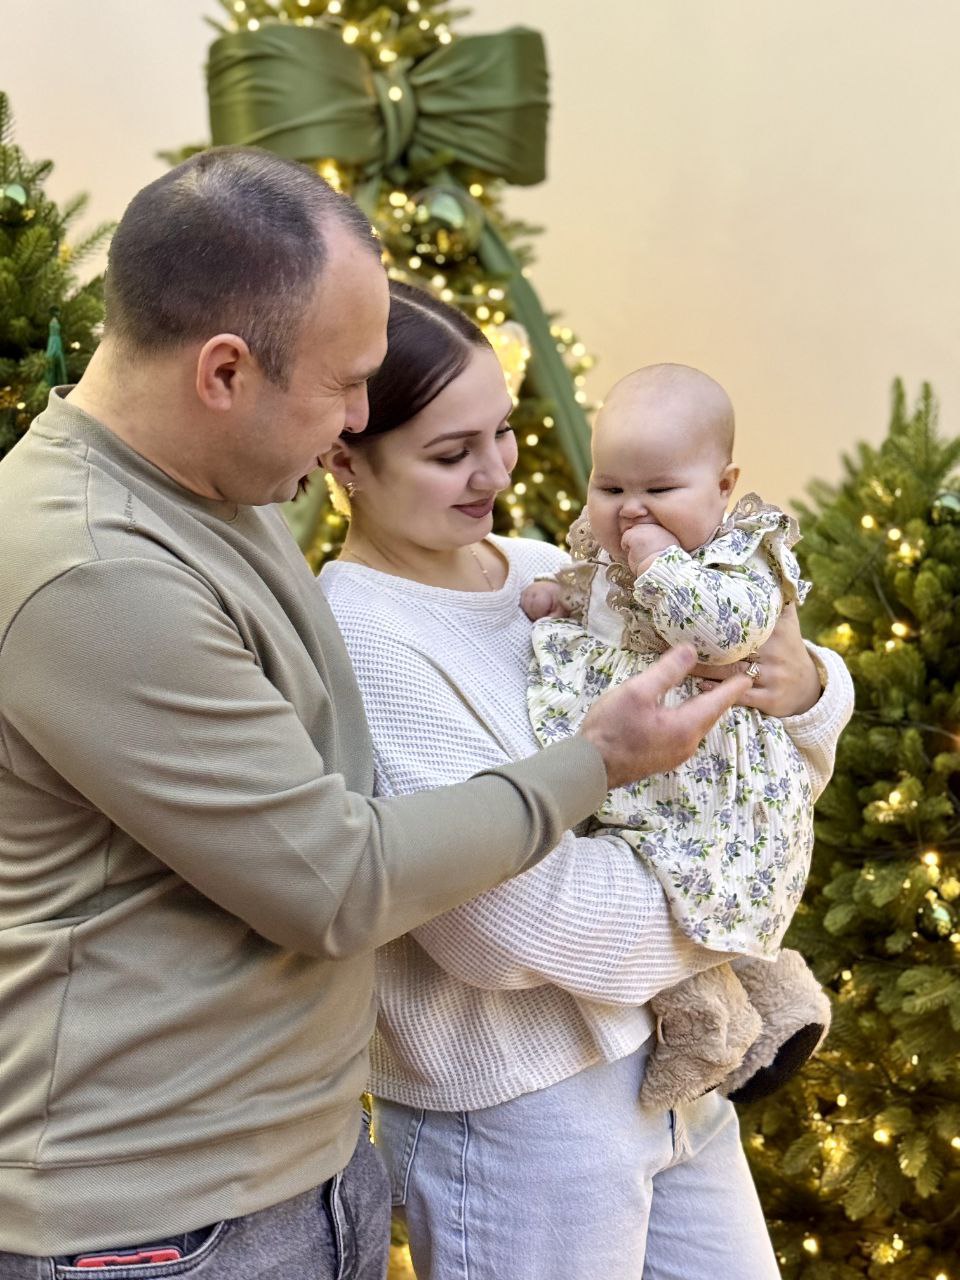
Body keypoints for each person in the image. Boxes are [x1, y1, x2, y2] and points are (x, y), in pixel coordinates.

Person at [0, 152, 748, 1278]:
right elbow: (338, 880)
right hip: (159, 1221)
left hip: (294, 1174)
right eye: (345, 384)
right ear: (223, 372)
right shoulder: (96, 568)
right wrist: (596, 763)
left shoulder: (214, 486)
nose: (357, 418)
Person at [319, 283, 854, 1279]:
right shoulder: (361, 639)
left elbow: (753, 773)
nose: (496, 471)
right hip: (520, 1114)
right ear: (344, 458)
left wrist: (812, 689)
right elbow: (498, 921)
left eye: (503, 430)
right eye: (450, 452)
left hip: (675, 1064)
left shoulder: (560, 572)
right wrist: (730, 901)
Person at [524, 364, 829, 1108]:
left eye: (659, 489)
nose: (632, 510)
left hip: (702, 776)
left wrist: (661, 566)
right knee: (675, 886)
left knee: (670, 880)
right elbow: (600, 596)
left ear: (723, 487)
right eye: (610, 488)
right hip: (644, 759)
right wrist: (562, 595)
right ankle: (778, 1002)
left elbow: (722, 634)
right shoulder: (612, 548)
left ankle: (710, 1025)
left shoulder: (738, 558)